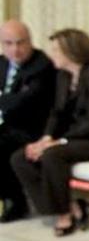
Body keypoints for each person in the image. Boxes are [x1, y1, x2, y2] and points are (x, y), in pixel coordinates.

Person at [9, 28, 89, 235]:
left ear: (71, 52)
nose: (51, 55)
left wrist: (58, 142)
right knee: (21, 157)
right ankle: (68, 206)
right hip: (76, 138)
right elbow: (57, 113)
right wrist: (45, 138)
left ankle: (64, 215)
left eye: (56, 51)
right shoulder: (63, 76)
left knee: (53, 155)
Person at [0, 19, 57, 222]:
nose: (15, 50)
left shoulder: (42, 65)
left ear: (30, 41)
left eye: (20, 43)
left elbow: (24, 102)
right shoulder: (2, 63)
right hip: (7, 125)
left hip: (32, 129)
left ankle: (15, 201)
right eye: (8, 43)